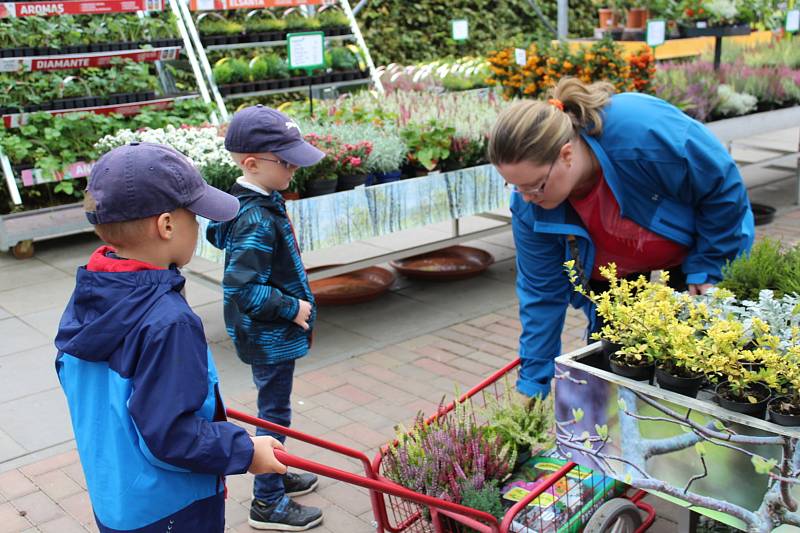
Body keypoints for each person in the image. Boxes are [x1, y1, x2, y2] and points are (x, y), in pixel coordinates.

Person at [55, 142, 287, 533]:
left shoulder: (91, 292)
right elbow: (170, 433)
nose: (199, 226)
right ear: (166, 226)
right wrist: (245, 450)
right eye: (193, 216)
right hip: (172, 506)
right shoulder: (168, 321)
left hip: (117, 495)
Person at [488, 77, 755, 398]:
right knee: (614, 369)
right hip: (616, 271)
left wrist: (709, 266)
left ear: (566, 155)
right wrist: (534, 383)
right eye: (514, 186)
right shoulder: (530, 205)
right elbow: (542, 294)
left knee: (699, 364)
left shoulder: (643, 135)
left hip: (704, 246)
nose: (526, 197)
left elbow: (722, 185)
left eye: (535, 186)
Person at [206, 105, 324, 531]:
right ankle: (268, 501)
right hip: (269, 334)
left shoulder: (255, 201)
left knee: (276, 408)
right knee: (275, 413)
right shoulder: (255, 215)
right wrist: (293, 307)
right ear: (251, 164)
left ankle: (276, 469)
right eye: (286, 160)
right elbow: (242, 288)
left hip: (268, 334)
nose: (294, 166)